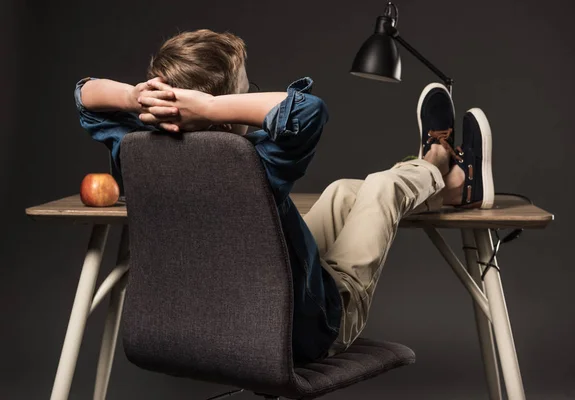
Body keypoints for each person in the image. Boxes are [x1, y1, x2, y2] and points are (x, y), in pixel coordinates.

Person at [74, 29, 494, 365]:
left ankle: (447, 187)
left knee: (346, 191)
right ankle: (444, 166)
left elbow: (85, 96)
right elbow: (310, 110)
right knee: (383, 189)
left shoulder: (136, 149)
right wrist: (217, 107)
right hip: (304, 330)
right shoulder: (252, 161)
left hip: (205, 326)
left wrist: (134, 97)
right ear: (215, 111)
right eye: (242, 94)